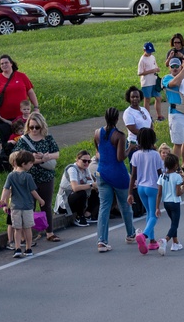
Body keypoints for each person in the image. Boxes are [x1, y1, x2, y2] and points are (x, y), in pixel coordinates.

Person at [93, 107, 137, 253]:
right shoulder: (119, 135)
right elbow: (120, 157)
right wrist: (130, 148)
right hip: (118, 174)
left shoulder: (98, 132)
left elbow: (98, 150)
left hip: (102, 173)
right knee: (125, 206)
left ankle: (102, 241)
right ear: (117, 119)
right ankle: (130, 234)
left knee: (104, 207)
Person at [16, 112, 61, 242]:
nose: (34, 130)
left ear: (42, 126)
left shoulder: (48, 137)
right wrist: (35, 159)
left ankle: (49, 232)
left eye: (37, 127)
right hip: (28, 178)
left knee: (46, 205)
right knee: (29, 206)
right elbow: (17, 157)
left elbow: (57, 153)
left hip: (46, 177)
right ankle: (28, 234)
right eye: (31, 127)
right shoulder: (23, 140)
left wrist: (47, 157)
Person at [0, 150, 47, 259]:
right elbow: (33, 191)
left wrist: (3, 201)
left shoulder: (11, 175)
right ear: (24, 164)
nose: (31, 165)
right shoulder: (28, 176)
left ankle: (17, 248)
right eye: (30, 163)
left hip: (15, 206)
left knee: (17, 228)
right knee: (27, 228)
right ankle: (28, 248)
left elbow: (6, 189)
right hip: (27, 206)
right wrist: (40, 200)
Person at [0, 54, 38, 143]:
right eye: (1, 63)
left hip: (21, 116)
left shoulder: (21, 76)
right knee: (8, 140)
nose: (4, 65)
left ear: (11, 63)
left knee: (25, 139)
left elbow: (30, 92)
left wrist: (36, 107)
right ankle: (6, 155)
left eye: (6, 62)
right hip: (3, 117)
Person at [129, 127, 164, 255]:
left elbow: (133, 175)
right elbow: (160, 172)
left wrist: (129, 193)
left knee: (149, 214)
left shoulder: (136, 154)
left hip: (140, 188)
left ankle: (153, 241)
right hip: (153, 187)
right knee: (154, 215)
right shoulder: (155, 155)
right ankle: (144, 236)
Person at [55, 150, 99, 227]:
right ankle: (79, 216)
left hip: (78, 198)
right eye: (84, 161)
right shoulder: (72, 169)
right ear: (77, 159)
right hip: (65, 203)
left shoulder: (86, 169)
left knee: (96, 191)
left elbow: (91, 185)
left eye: (89, 161)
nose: (87, 163)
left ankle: (87, 214)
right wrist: (92, 185)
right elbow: (75, 188)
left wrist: (95, 186)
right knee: (81, 192)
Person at [155, 153, 184, 254]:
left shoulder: (162, 176)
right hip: (175, 202)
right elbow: (178, 193)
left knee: (173, 222)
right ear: (176, 165)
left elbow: (159, 194)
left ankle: (175, 243)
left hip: (166, 203)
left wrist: (157, 208)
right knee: (175, 224)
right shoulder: (177, 177)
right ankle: (165, 240)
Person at [123, 86, 155, 155]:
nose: (135, 99)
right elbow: (133, 130)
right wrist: (148, 136)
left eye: (137, 97)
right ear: (129, 98)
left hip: (148, 143)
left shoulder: (144, 109)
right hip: (136, 145)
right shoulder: (128, 112)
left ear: (140, 98)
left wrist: (151, 138)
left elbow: (151, 123)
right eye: (133, 97)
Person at [138, 42, 164, 122]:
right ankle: (148, 117)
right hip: (146, 82)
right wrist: (151, 71)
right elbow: (140, 73)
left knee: (158, 98)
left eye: (151, 51)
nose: (150, 53)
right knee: (147, 99)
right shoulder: (142, 60)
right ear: (144, 50)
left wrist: (157, 69)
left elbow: (155, 66)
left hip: (154, 80)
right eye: (148, 51)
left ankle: (159, 115)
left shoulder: (152, 57)